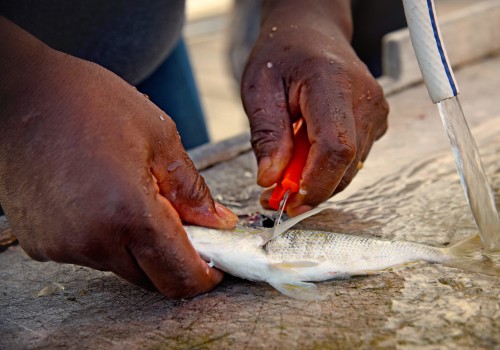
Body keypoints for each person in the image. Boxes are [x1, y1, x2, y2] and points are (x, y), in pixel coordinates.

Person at [0, 0, 395, 299]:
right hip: (20, 92)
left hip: (149, 42)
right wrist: (20, 95)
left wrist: (308, 10)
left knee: (174, 205)